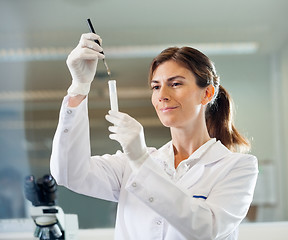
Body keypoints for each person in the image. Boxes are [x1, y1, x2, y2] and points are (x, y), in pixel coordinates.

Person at [50, 33, 258, 240]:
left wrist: (140, 159)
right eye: (156, 86)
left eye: (175, 84)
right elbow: (68, 173)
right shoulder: (128, 165)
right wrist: (79, 87)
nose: (162, 95)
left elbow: (207, 229)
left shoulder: (237, 167)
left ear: (207, 93)